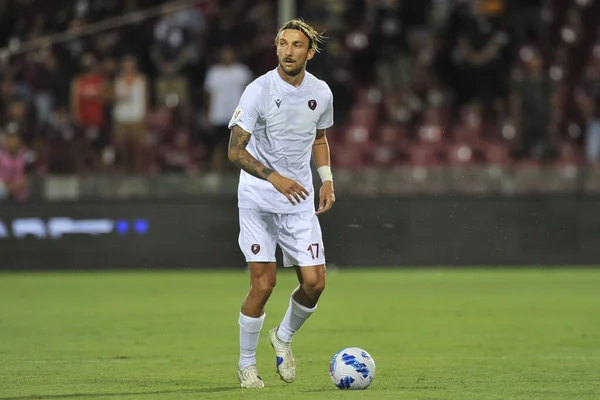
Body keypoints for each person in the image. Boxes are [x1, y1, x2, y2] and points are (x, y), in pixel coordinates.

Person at [227, 19, 335, 388]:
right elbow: (234, 150)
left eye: (296, 45)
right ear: (277, 48)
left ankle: (283, 337)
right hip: (258, 197)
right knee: (264, 285)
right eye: (283, 44)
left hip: (299, 197)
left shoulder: (321, 93)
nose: (288, 51)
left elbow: (319, 138)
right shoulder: (258, 90)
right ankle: (246, 366)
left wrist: (327, 180)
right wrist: (274, 177)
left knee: (315, 282)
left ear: (310, 52)